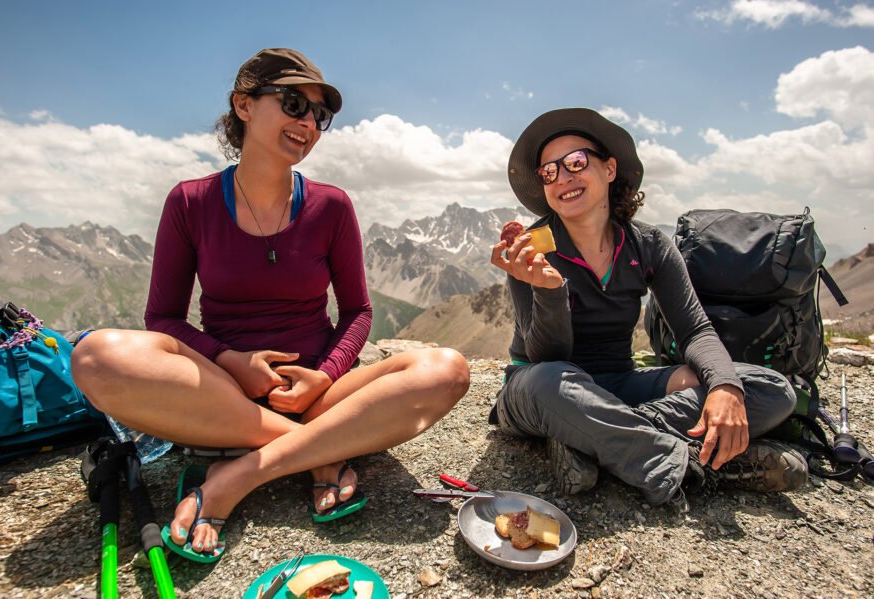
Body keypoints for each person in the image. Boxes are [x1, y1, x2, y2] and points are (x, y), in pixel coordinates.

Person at [71, 48, 469, 560]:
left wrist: (324, 375)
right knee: (95, 356)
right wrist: (230, 361)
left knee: (448, 369)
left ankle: (237, 474)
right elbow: (163, 318)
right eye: (292, 103)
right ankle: (321, 453)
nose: (309, 123)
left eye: (319, 114)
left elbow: (357, 312)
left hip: (319, 394)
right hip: (222, 394)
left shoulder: (332, 205)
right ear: (244, 105)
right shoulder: (190, 202)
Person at [489, 108, 807, 508]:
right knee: (551, 380)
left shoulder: (648, 244)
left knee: (771, 388)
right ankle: (690, 463)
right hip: (538, 390)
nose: (563, 178)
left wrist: (725, 387)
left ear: (609, 169)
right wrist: (549, 291)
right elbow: (545, 358)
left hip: (620, 386)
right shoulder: (531, 249)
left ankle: (592, 443)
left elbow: (694, 331)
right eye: (549, 172)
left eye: (575, 162)